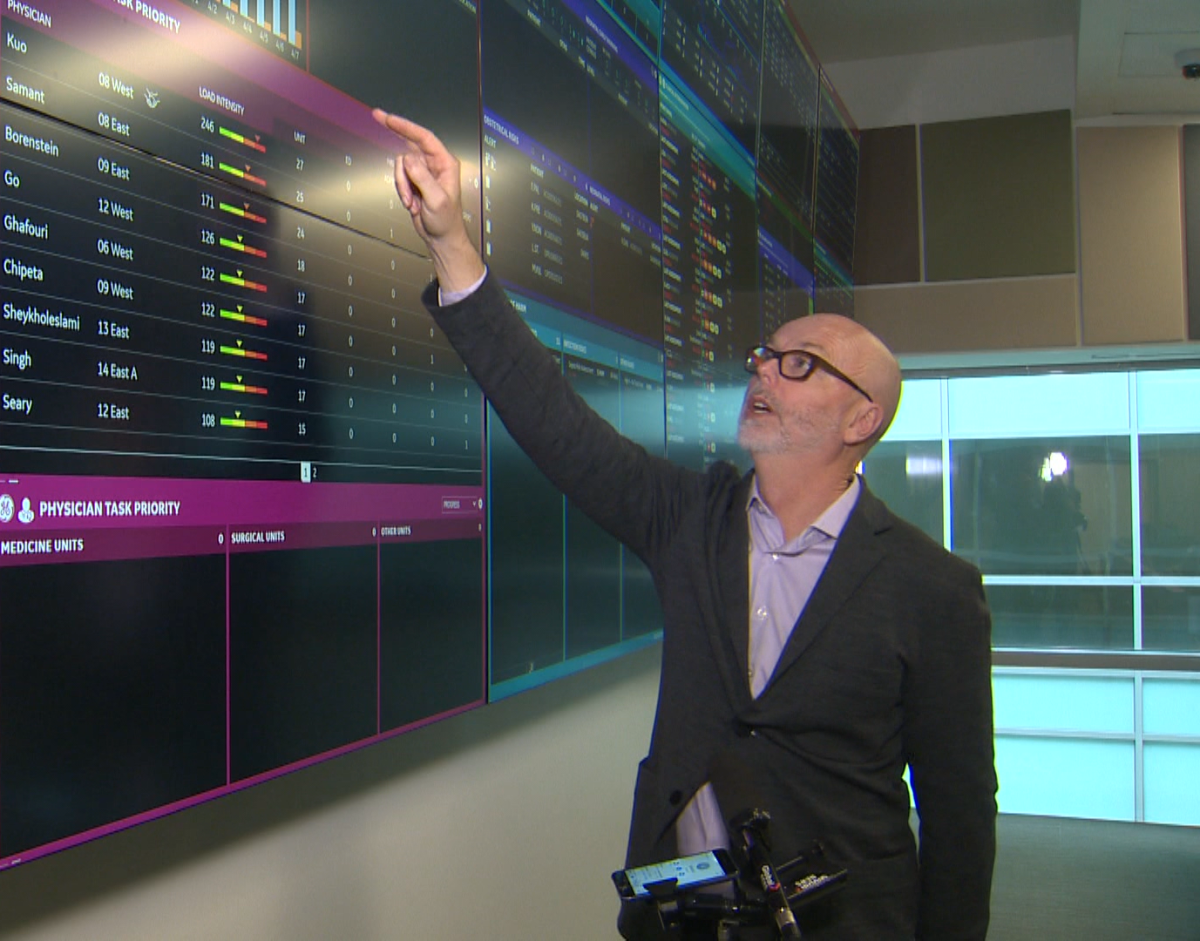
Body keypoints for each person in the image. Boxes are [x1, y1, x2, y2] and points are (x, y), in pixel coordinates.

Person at [373, 109, 998, 941]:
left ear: (861, 418)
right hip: (686, 918)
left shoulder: (934, 588)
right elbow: (555, 422)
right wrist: (452, 244)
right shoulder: (690, 520)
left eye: (800, 364)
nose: (766, 373)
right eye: (765, 357)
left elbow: (959, 816)